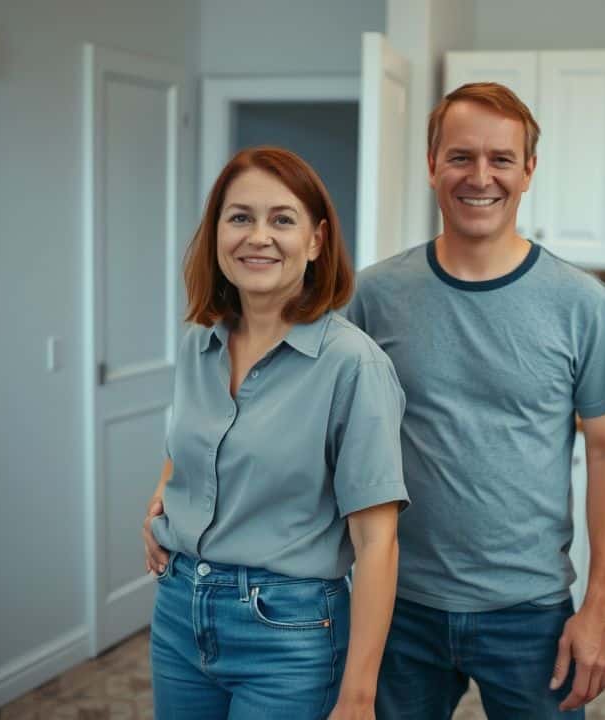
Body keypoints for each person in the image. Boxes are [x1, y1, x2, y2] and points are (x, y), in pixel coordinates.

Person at [345, 83, 605, 719]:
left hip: (531, 614)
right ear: (431, 165)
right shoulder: (374, 295)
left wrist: (600, 606)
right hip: (399, 603)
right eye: (460, 156)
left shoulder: (580, 302)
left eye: (501, 159)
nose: (481, 177)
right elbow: (321, 430)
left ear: (529, 171)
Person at [141, 146, 408, 719]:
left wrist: (359, 696)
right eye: (240, 217)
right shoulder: (199, 341)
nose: (258, 236)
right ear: (216, 234)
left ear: (315, 240)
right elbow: (184, 447)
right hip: (179, 614)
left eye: (281, 219)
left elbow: (377, 541)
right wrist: (162, 503)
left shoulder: (352, 366)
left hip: (289, 632)